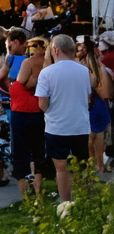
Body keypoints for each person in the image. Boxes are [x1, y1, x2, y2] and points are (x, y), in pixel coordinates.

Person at [37, 34, 93, 203]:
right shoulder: (83, 70)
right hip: (80, 125)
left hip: (57, 127)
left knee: (61, 169)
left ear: (55, 49)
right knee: (81, 166)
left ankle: (65, 203)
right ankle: (83, 200)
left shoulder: (46, 72)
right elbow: (88, 97)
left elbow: (42, 103)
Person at [9, 35, 49, 198]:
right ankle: (38, 191)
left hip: (21, 112)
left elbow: (19, 83)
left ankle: (24, 193)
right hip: (39, 112)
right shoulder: (49, 66)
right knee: (38, 151)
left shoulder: (28, 63)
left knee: (20, 153)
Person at [77, 36, 113, 173]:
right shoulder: (97, 64)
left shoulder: (86, 64)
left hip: (91, 103)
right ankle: (98, 166)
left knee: (92, 137)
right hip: (97, 103)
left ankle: (93, 167)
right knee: (97, 136)